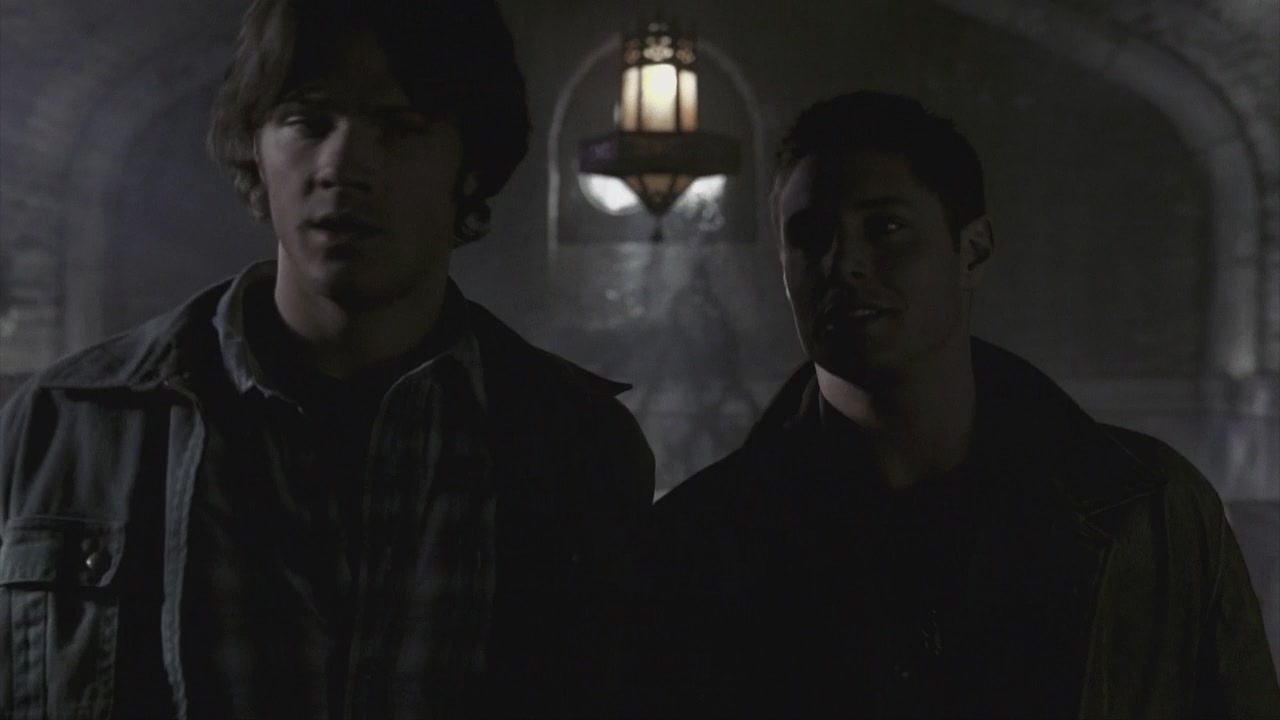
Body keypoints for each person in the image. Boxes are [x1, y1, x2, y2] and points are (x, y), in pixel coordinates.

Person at [0, 1, 654, 718]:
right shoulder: (65, 429)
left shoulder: (576, 446)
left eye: (399, 128)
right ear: (256, 147)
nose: (343, 167)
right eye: (308, 122)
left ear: (470, 163)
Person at [628, 91, 1280, 718]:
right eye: (811, 235)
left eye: (885, 227)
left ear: (972, 251)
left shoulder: (1154, 511)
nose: (843, 263)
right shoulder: (696, 543)